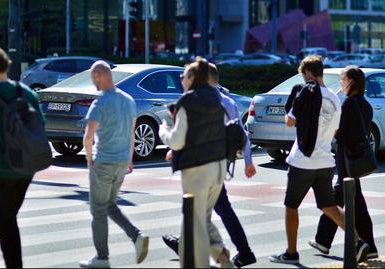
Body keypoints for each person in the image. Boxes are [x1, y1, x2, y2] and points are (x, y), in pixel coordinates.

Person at [269, 55, 369, 265]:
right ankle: (358, 242)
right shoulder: (334, 97)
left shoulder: (306, 92)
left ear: (307, 73)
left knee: (291, 206)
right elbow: (334, 130)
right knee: (329, 206)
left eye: (302, 75)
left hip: (302, 161)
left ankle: (291, 252)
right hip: (325, 162)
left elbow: (290, 121)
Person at [161, 62, 257, 267]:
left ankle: (221, 253)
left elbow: (183, 138)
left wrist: (165, 133)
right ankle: (219, 254)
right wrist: (247, 161)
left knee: (200, 213)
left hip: (200, 168)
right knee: (204, 213)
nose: (181, 79)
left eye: (184, 76)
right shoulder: (222, 100)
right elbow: (236, 134)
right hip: (219, 166)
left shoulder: (194, 101)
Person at [79, 61, 149, 268]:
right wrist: (129, 159)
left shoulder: (99, 103)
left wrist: (89, 157)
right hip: (121, 163)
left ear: (100, 75)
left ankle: (102, 258)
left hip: (104, 161)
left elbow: (88, 136)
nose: (93, 83)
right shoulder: (129, 101)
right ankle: (136, 236)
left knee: (98, 211)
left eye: (93, 78)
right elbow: (132, 133)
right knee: (109, 205)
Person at [310, 65, 378, 259]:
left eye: (342, 80)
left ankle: (326, 241)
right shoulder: (365, 104)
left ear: (351, 82)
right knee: (354, 201)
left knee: (339, 198)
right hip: (356, 157)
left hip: (346, 156)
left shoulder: (348, 104)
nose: (341, 83)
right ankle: (365, 246)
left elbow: (342, 132)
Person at [0, 42, 41, 269]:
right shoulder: (26, 93)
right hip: (25, 171)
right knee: (7, 220)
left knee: (6, 227)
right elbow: (39, 129)